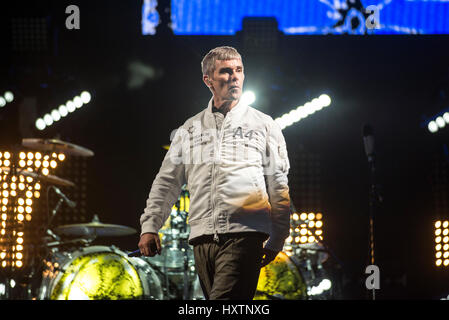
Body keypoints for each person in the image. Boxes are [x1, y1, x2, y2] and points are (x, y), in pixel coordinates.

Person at [138, 46, 291, 300]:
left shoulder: (264, 125)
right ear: (208, 80)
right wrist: (150, 225)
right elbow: (166, 182)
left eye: (239, 70)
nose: (234, 77)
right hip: (202, 239)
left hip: (245, 234)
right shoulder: (189, 129)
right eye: (226, 71)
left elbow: (278, 184)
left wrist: (278, 237)